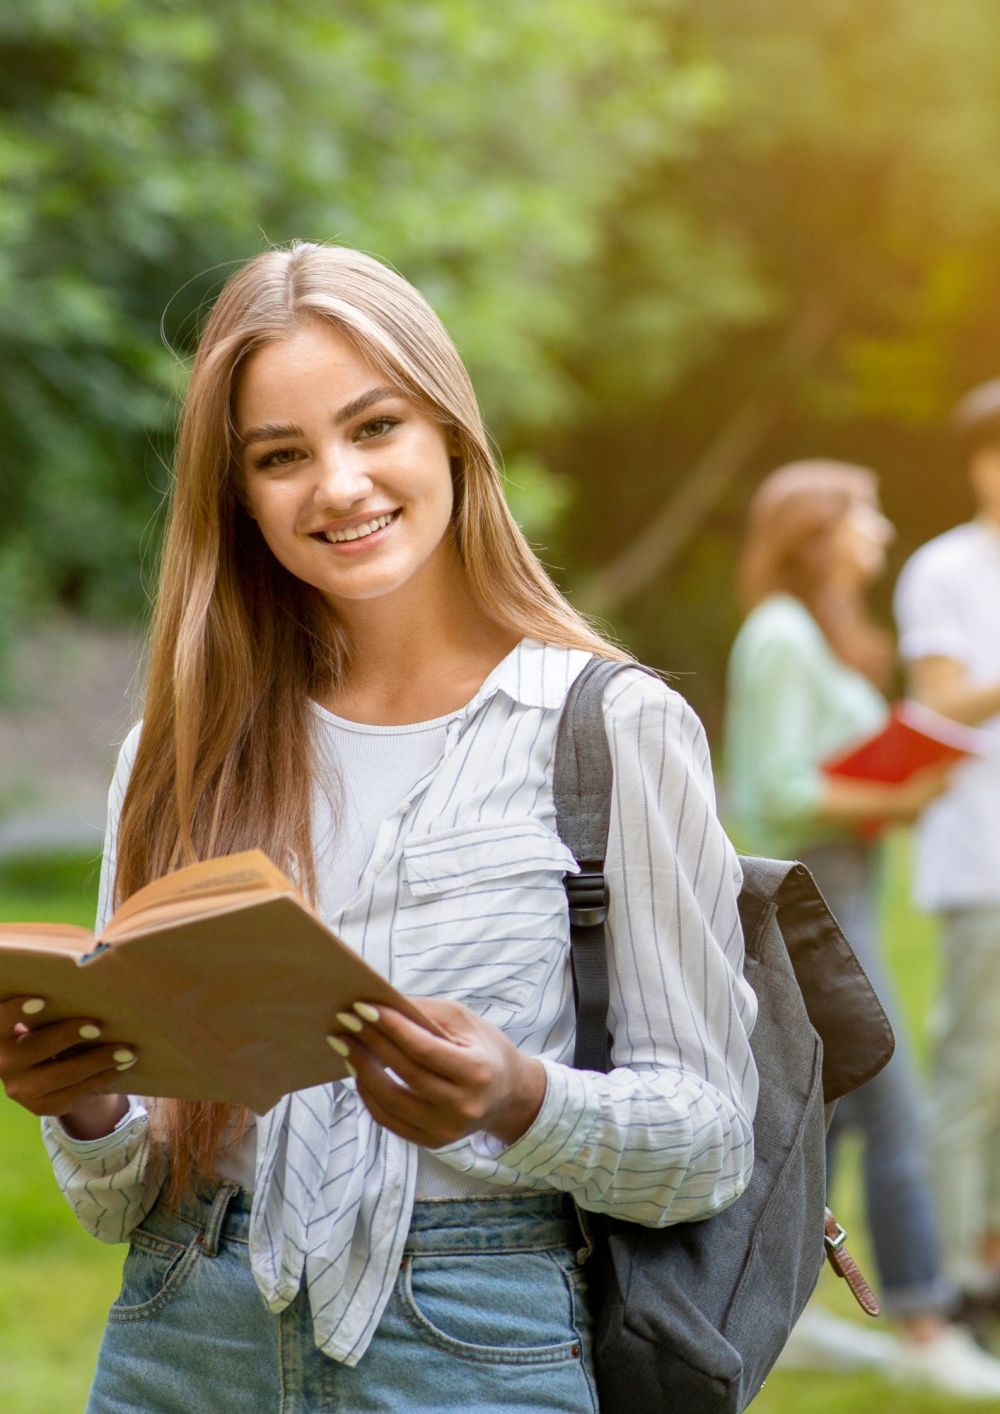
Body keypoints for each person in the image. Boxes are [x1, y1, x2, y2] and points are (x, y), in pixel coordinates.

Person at [0, 242, 758, 1413]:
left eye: (374, 426)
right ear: (240, 497)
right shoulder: (176, 746)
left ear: (450, 430)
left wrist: (518, 1097)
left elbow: (710, 1142)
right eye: (281, 456)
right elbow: (117, 1201)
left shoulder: (611, 728)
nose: (339, 485)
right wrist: (83, 1099)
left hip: (471, 1342)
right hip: (180, 1335)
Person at [725, 460, 1000, 1397]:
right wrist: (898, 788)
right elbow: (772, 789)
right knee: (896, 1106)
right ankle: (927, 1319)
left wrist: (898, 790)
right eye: (867, 515)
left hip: (843, 887)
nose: (882, 533)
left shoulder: (819, 639)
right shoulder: (779, 636)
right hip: (810, 900)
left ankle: (772, 1311)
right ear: (817, 534)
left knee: (822, 1119)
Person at [893, 379, 1000, 1329]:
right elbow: (935, 707)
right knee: (974, 1067)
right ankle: (961, 1274)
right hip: (983, 856)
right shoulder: (945, 570)